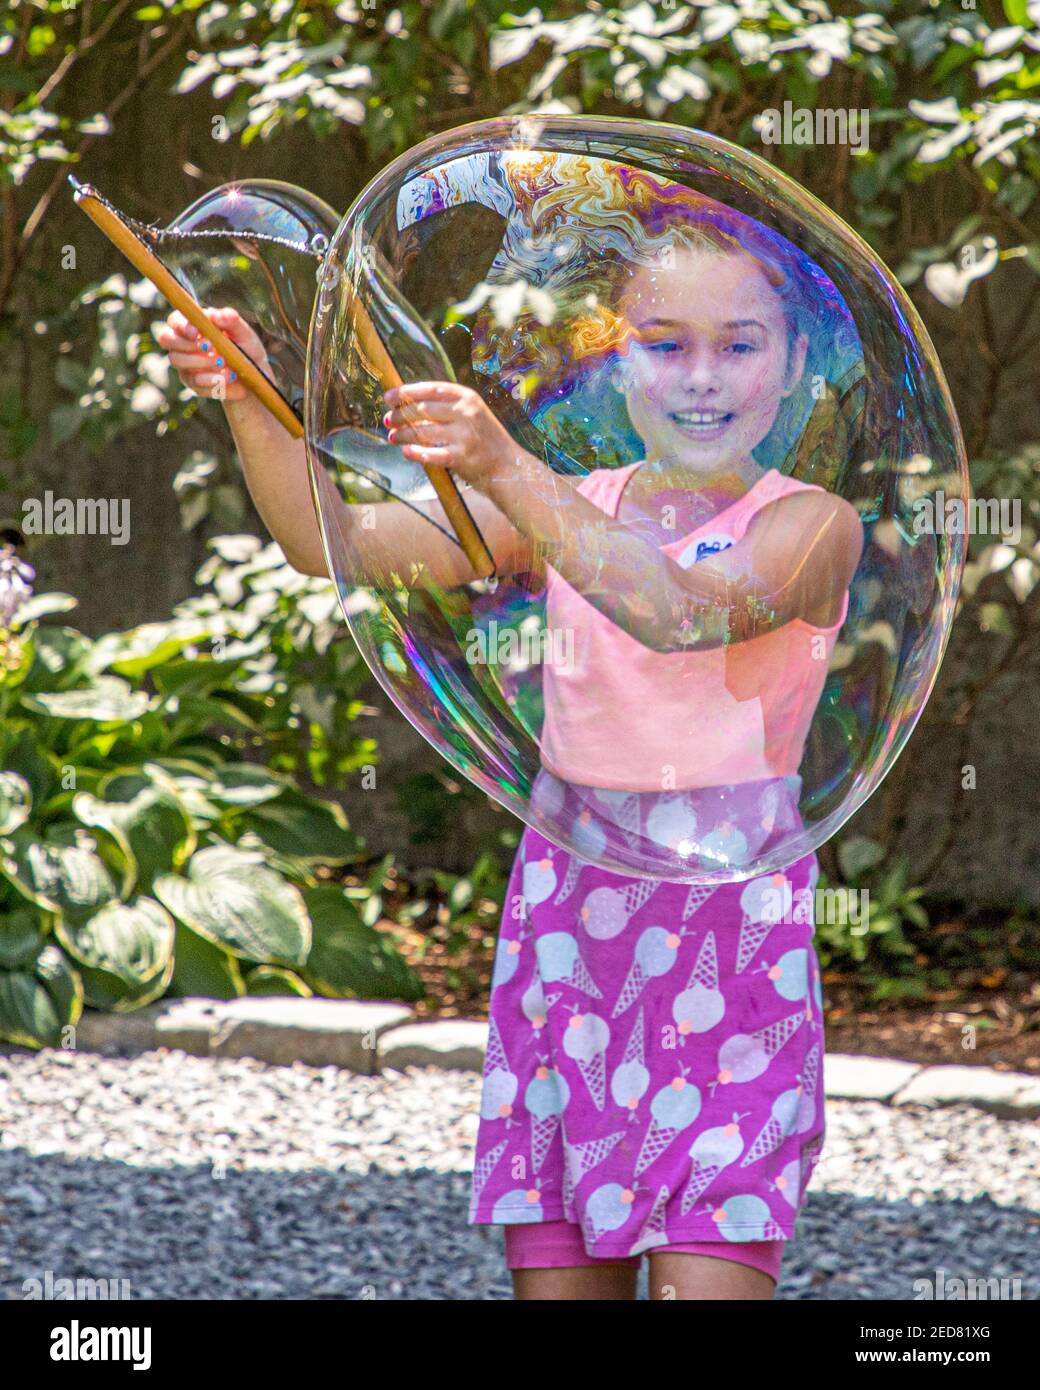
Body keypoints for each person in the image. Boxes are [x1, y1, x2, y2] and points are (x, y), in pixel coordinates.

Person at [156, 192, 863, 1301]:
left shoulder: (808, 522)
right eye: (662, 344)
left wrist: (500, 464)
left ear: (788, 366)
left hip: (729, 949)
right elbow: (331, 541)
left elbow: (674, 611)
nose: (700, 376)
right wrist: (248, 395)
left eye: (738, 345)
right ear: (614, 362)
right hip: (570, 935)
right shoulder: (562, 506)